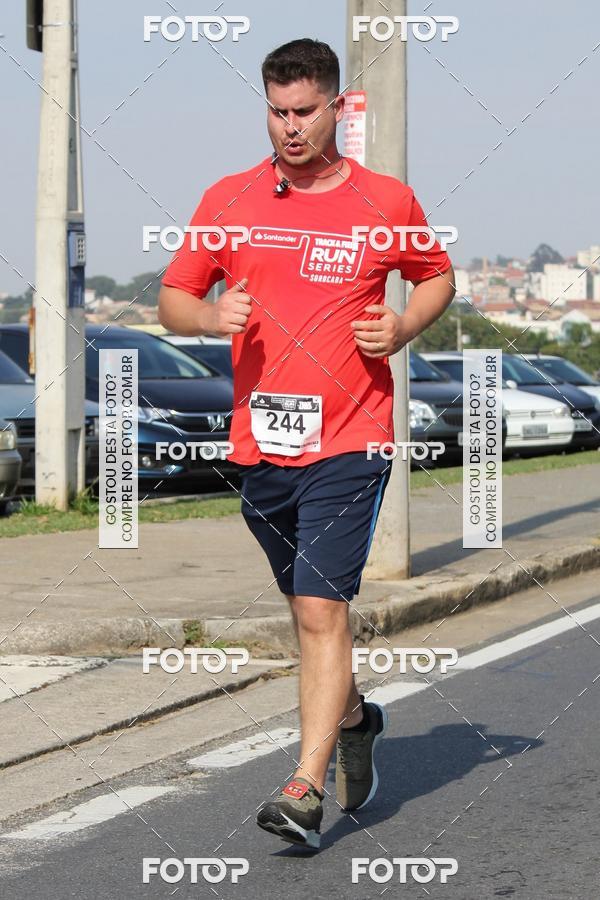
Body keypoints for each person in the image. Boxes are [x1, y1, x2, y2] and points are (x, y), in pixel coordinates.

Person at [158, 38, 455, 851]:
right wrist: (208, 316)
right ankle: (354, 720)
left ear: (336, 108)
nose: (289, 127)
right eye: (276, 111)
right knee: (305, 609)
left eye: (304, 111)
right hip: (260, 446)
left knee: (323, 609)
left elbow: (436, 274)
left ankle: (303, 788)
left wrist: (404, 324)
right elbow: (174, 299)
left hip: (353, 438)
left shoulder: (384, 201)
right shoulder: (229, 198)